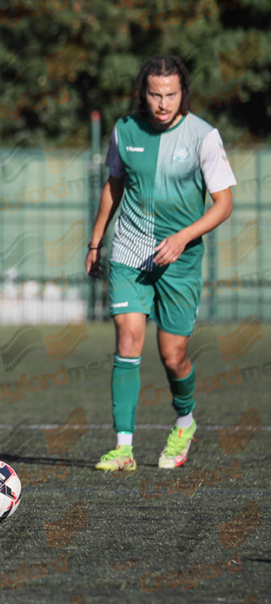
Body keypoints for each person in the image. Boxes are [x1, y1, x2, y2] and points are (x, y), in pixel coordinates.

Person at [87, 55, 235, 472]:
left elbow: (223, 204)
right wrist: (95, 242)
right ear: (143, 93)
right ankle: (123, 448)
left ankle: (184, 422)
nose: (163, 103)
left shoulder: (204, 137)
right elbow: (113, 187)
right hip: (130, 252)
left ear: (182, 93)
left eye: (171, 94)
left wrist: (184, 236)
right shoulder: (125, 131)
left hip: (180, 260)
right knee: (127, 341)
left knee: (173, 356)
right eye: (155, 94)